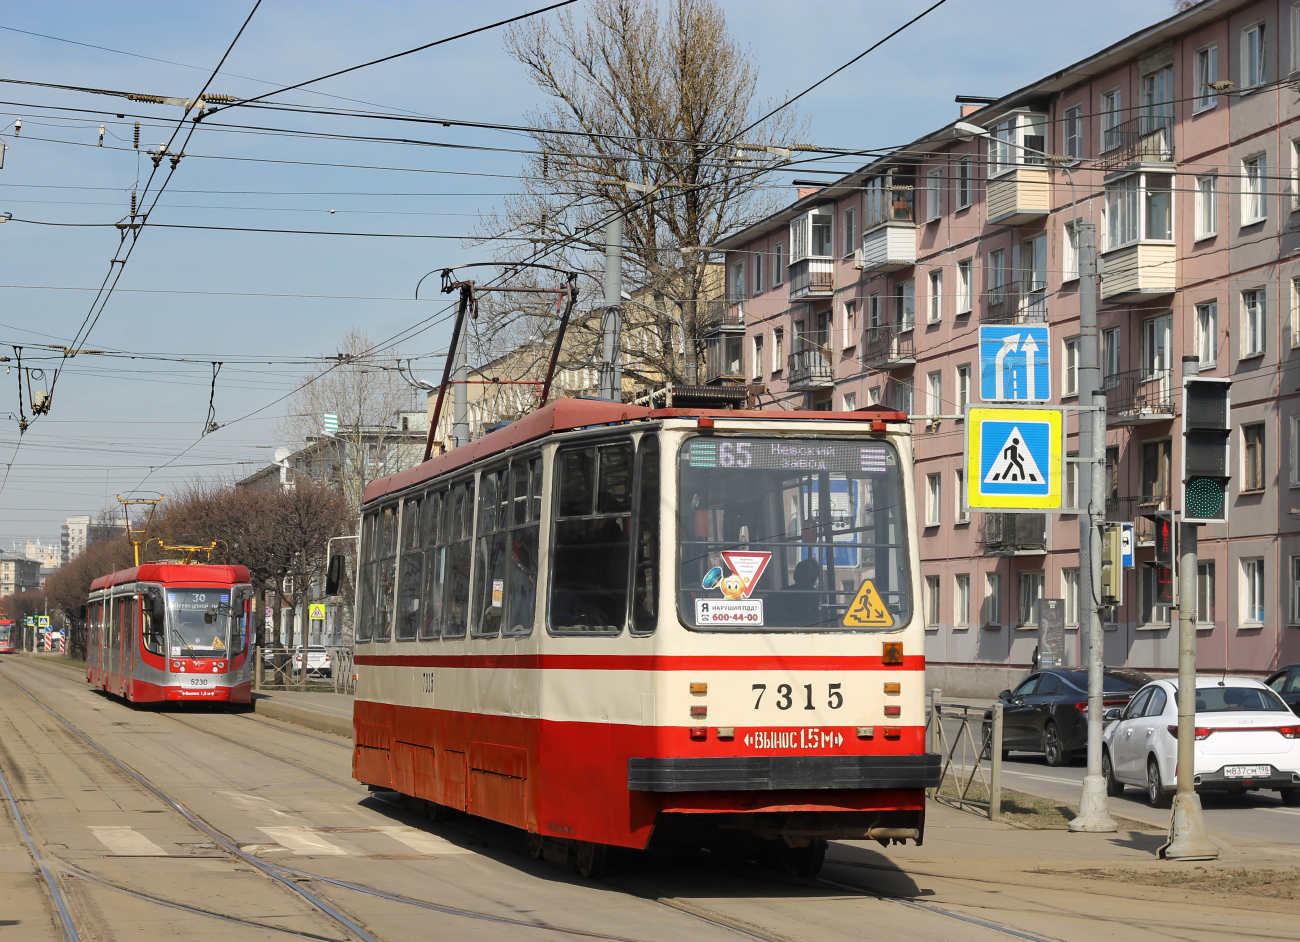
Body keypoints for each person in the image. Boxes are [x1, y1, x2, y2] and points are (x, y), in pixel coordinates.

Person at [765, 558, 822, 627]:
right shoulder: (820, 597)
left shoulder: (780, 594)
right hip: (813, 632)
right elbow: (824, 622)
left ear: (795, 575)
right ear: (815, 578)